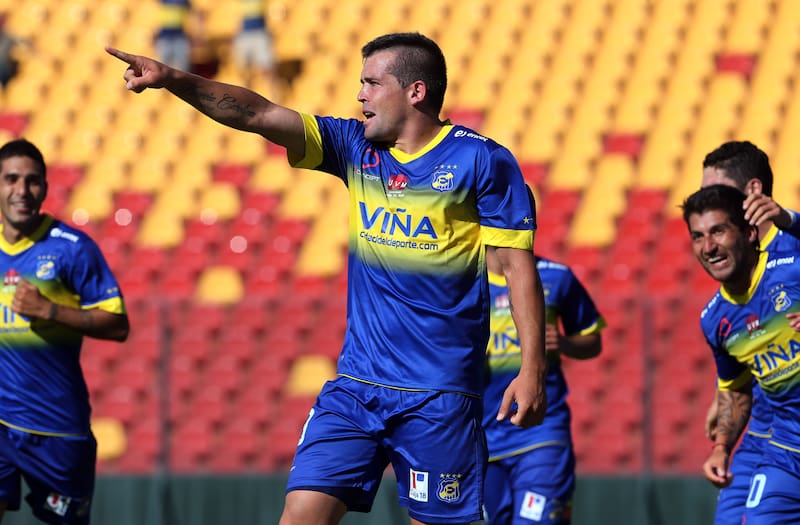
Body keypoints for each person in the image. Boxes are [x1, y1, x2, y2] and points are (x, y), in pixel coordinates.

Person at [106, 32, 547, 525]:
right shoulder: (355, 147)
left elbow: (516, 267)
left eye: (372, 83)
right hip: (357, 387)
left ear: (415, 92)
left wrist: (531, 370)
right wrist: (174, 79)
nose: (359, 95)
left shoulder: (481, 160)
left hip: (439, 394)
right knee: (300, 515)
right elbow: (256, 114)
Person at [0, 139, 129, 524]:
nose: (22, 191)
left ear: (45, 188)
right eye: (11, 179)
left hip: (56, 427)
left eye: (32, 181)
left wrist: (50, 310)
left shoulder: (72, 248)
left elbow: (118, 324)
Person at [684, 184, 800, 525]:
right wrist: (721, 446)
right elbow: (735, 389)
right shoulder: (715, 320)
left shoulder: (791, 266)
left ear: (749, 232)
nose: (709, 247)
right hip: (788, 449)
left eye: (718, 231)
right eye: (698, 236)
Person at [483, 233, 604, 525]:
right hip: (484, 439)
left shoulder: (557, 277)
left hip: (542, 433)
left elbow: (593, 342)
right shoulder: (459, 284)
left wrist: (563, 343)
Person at [232, 0, 276, 85]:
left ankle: (273, 94)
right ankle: (246, 92)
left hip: (260, 33)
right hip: (244, 34)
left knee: (267, 68)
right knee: (244, 69)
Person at [154, 0, 192, 71]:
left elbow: (192, 15)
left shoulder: (184, 1)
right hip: (165, 37)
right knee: (163, 66)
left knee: (183, 66)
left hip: (180, 36)